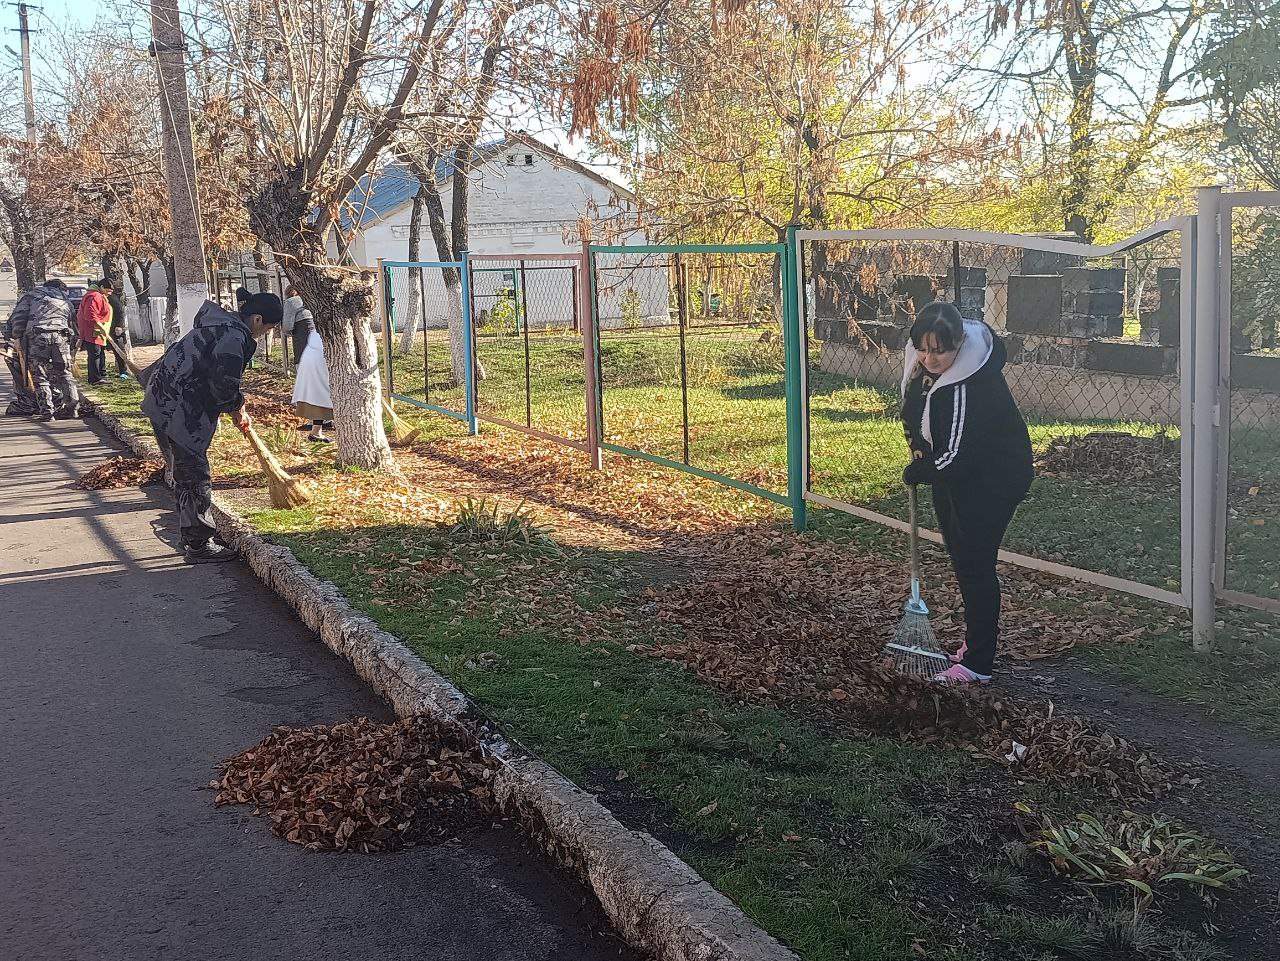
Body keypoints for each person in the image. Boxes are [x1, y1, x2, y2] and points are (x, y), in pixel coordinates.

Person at [899, 301, 1033, 685]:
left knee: (974, 563)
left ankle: (978, 664)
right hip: (956, 473)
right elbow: (919, 409)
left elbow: (959, 453)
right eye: (923, 348)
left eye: (939, 349)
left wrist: (923, 469)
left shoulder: (970, 384)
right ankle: (975, 643)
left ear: (959, 343)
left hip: (992, 478)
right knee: (961, 554)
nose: (929, 357)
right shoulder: (926, 364)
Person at [142, 292, 284, 563]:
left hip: (163, 401)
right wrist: (236, 405)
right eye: (269, 328)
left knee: (185, 473)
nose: (266, 334)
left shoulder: (219, 324)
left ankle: (193, 534)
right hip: (180, 408)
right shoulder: (233, 336)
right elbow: (223, 386)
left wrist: (234, 405)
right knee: (195, 476)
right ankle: (198, 545)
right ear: (257, 319)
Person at [8, 278, 79, 421]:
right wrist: (73, 344)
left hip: (38, 338)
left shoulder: (32, 295)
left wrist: (16, 337)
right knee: (65, 373)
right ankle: (72, 409)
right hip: (61, 337)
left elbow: (18, 317)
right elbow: (73, 321)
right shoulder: (63, 297)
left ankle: (47, 412)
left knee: (40, 375)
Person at [291, 312, 333, 442]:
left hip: (312, 360)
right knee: (323, 397)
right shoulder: (329, 329)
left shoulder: (317, 329)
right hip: (319, 362)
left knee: (318, 398)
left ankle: (316, 431)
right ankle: (317, 431)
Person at [77, 279, 114, 385]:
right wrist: (101, 328)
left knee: (100, 352)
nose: (110, 294)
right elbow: (91, 315)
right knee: (95, 353)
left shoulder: (99, 296)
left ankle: (102, 374)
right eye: (108, 291)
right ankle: (95, 378)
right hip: (93, 330)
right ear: (101, 287)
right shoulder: (94, 296)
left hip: (99, 330)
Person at [106, 281, 130, 380]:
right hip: (109, 327)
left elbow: (120, 311)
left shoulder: (111, 298)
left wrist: (119, 326)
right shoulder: (109, 297)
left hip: (115, 328)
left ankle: (123, 371)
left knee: (119, 350)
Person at [282, 285, 304, 369]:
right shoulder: (311, 300)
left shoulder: (290, 302)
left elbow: (287, 327)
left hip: (302, 337)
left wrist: (289, 333)